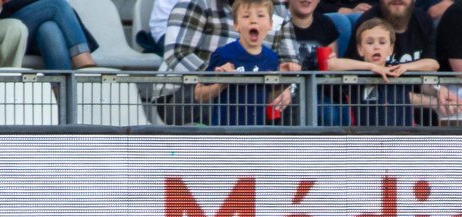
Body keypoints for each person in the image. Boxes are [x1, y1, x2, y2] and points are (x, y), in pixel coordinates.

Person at [155, 0, 299, 124]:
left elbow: (290, 60)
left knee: (296, 108)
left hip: (253, 91)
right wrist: (220, 77)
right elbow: (177, 53)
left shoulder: (277, 7)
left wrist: (286, 85)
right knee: (222, 110)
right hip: (185, 90)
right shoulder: (197, 3)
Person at [338, 0, 462, 123]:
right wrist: (432, 101)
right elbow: (380, 92)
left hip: (411, 114)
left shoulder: (423, 21)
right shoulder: (369, 24)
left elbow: (430, 68)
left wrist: (438, 91)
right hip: (373, 117)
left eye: (382, 42)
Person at [193, 0, 293, 125]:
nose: (253, 21)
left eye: (260, 15)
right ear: (236, 25)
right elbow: (198, 93)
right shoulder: (223, 54)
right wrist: (221, 84)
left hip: (257, 133)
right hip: (224, 132)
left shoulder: (272, 58)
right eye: (246, 16)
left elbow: (267, 98)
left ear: (270, 24)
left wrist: (286, 80)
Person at [330, 18, 415, 124]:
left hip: (400, 135)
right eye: (370, 42)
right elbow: (331, 64)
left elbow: (433, 64)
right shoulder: (358, 71)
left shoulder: (396, 68)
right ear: (360, 50)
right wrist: (371, 67)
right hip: (366, 136)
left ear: (391, 49)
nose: (376, 47)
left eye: (382, 42)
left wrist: (407, 67)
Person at [1, 0, 97, 70]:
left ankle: (61, 94)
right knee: (57, 5)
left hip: (40, 31)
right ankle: (84, 63)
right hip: (9, 26)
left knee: (49, 29)